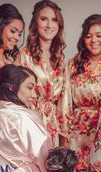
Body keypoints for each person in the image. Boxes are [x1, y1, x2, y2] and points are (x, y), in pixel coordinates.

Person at [59, 14, 101, 172]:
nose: (94, 40)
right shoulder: (73, 65)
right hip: (77, 134)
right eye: (88, 36)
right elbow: (65, 101)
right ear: (83, 39)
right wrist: (64, 138)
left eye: (99, 35)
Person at [20, 0, 66, 147]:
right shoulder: (24, 55)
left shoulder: (59, 60)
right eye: (43, 19)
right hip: (29, 120)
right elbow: (14, 93)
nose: (49, 25)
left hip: (52, 125)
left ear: (59, 25)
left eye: (54, 20)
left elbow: (64, 101)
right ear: (35, 23)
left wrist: (64, 136)